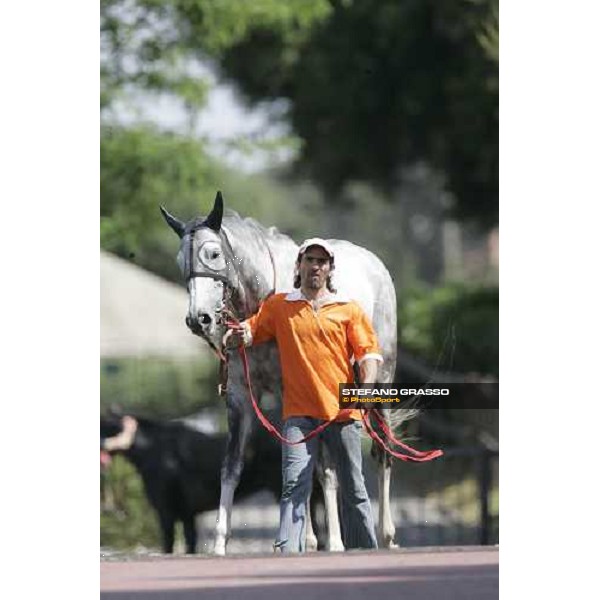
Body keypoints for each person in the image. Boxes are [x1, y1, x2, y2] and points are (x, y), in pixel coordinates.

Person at [223, 238, 382, 553]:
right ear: (299, 265)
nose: (315, 266)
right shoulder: (281, 305)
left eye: (322, 261)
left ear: (329, 269)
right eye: (310, 259)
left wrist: (366, 388)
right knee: (295, 485)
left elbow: (369, 357)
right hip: (298, 416)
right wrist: (232, 337)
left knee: (354, 489)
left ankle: (366, 555)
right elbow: (249, 332)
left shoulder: (347, 308)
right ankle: (288, 556)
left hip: (343, 413)